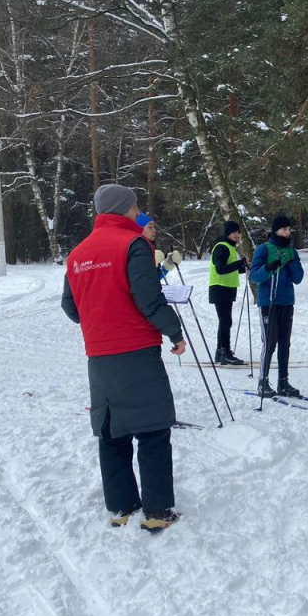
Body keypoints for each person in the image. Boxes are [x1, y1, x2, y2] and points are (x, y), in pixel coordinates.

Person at [61, 184, 185, 532]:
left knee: (112, 431)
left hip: (99, 356)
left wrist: (99, 320)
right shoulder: (134, 244)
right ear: (122, 209)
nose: (137, 211)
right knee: (152, 429)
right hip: (137, 351)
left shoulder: (78, 253)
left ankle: (121, 507)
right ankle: (157, 512)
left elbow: (69, 306)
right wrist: (174, 332)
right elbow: (148, 298)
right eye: (134, 206)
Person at [251, 214, 305, 398]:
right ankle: (263, 381)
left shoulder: (292, 251)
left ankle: (283, 381)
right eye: (284, 229)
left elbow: (298, 278)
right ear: (275, 230)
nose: (287, 232)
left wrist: (291, 261)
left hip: (287, 301)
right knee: (270, 342)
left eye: (289, 229)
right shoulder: (264, 249)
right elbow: (255, 276)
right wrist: (268, 267)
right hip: (269, 302)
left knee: (284, 343)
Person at [208, 220, 248, 366]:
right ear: (227, 233)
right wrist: (240, 263)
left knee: (225, 321)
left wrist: (243, 267)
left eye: (238, 232)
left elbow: (230, 269)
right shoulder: (222, 247)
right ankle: (225, 352)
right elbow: (220, 269)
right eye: (234, 232)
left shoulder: (229, 247)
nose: (237, 235)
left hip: (226, 288)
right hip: (220, 288)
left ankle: (221, 352)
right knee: (225, 321)